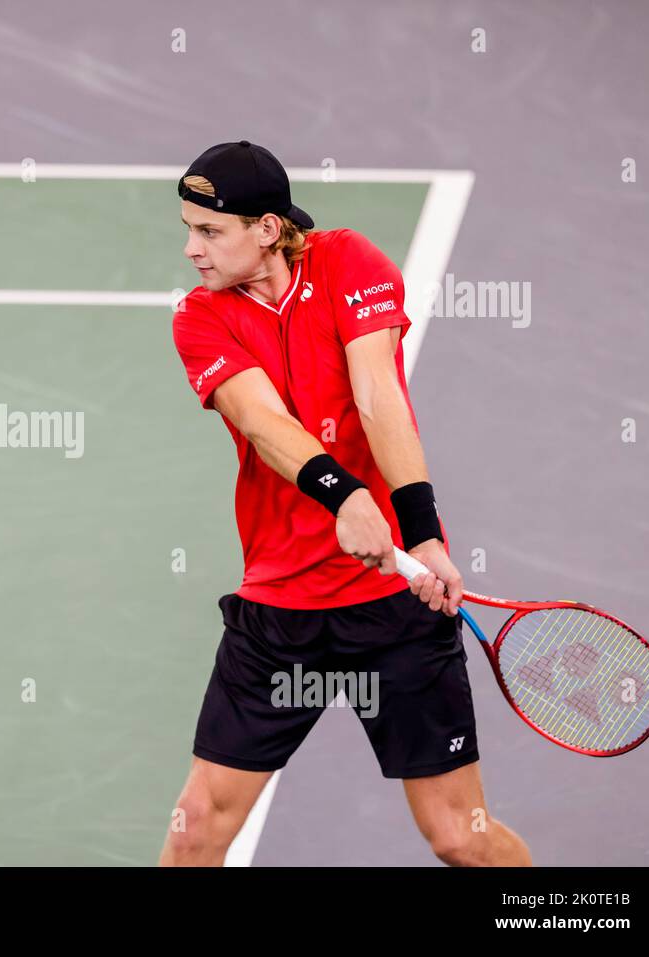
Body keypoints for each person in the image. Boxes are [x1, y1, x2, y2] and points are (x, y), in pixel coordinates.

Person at [159, 141, 531, 867]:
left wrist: (419, 533)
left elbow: (377, 393)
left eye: (209, 231)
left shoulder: (348, 262)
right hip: (280, 611)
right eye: (188, 228)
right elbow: (263, 423)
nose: (191, 249)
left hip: (394, 605)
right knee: (196, 828)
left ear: (267, 228)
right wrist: (344, 493)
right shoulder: (200, 318)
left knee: (462, 835)